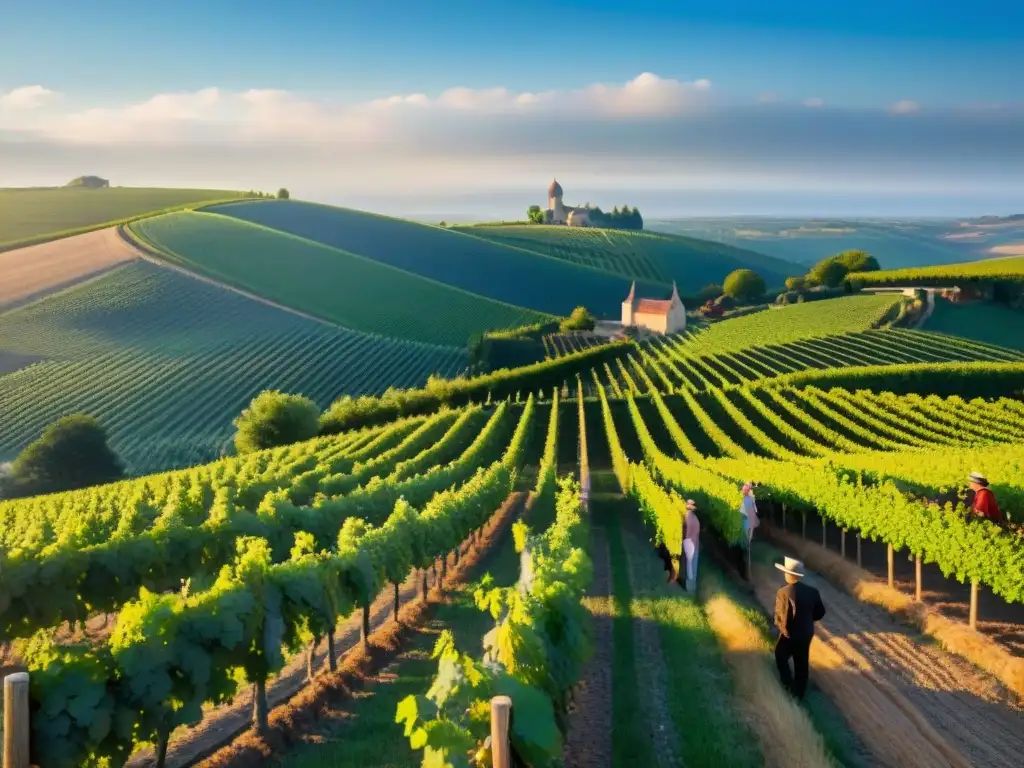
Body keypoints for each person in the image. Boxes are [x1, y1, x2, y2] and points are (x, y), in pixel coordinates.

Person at [774, 557, 826, 700]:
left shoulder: (783, 592)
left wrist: (783, 631)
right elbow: (820, 612)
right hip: (806, 633)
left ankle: (787, 685)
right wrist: (808, 620)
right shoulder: (812, 592)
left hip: (790, 634)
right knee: (801, 663)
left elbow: (780, 617)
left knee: (780, 656)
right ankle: (799, 695)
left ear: (787, 574)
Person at [683, 499, 701, 592]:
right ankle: (692, 588)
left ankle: (688, 588)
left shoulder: (686, 517)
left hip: (689, 544)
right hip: (696, 545)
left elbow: (686, 533)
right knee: (693, 569)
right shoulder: (696, 519)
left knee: (688, 568)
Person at [739, 482, 760, 547]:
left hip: (746, 515)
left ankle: (747, 543)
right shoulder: (748, 496)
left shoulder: (748, 497)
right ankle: (747, 543)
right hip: (746, 515)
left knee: (747, 532)